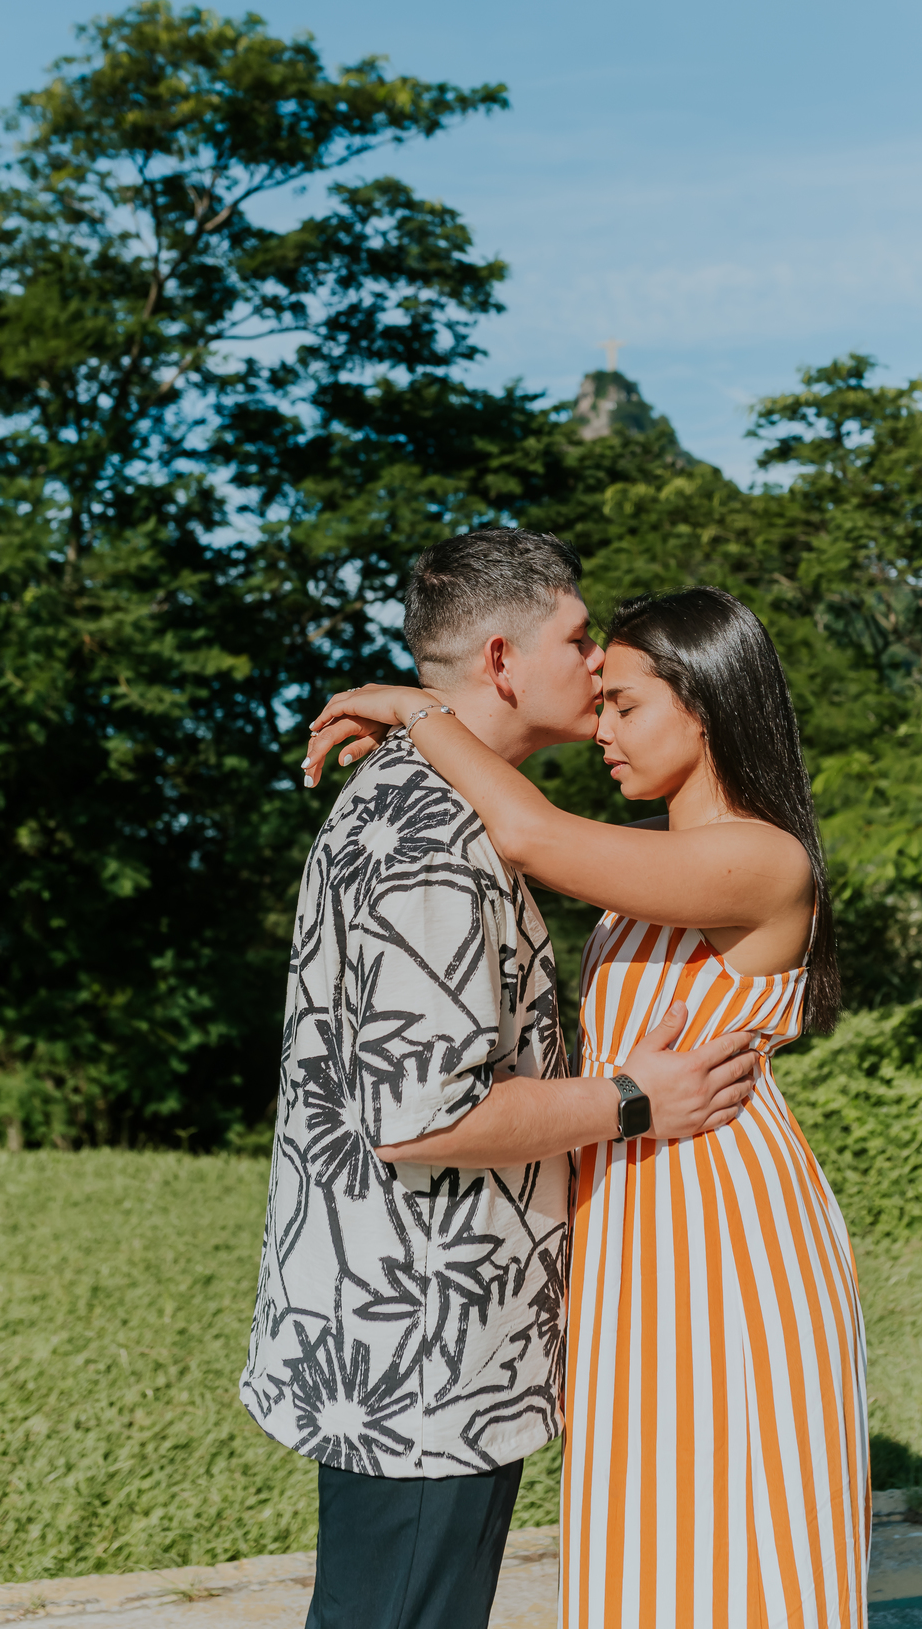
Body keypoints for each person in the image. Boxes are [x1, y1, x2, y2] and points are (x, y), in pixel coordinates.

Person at [304, 584, 869, 1629]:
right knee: (644, 1527)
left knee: (730, 1530)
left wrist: (411, 704)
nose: (602, 731)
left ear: (704, 703)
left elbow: (523, 832)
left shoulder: (760, 856)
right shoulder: (648, 867)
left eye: (626, 705)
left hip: (719, 1222)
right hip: (631, 1205)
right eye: (600, 702)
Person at [240, 533, 759, 1629]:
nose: (597, 662)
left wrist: (407, 706)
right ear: (503, 658)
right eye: (577, 638)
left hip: (402, 1318)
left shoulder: (413, 793)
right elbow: (426, 1115)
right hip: (430, 1336)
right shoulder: (438, 835)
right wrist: (634, 1100)